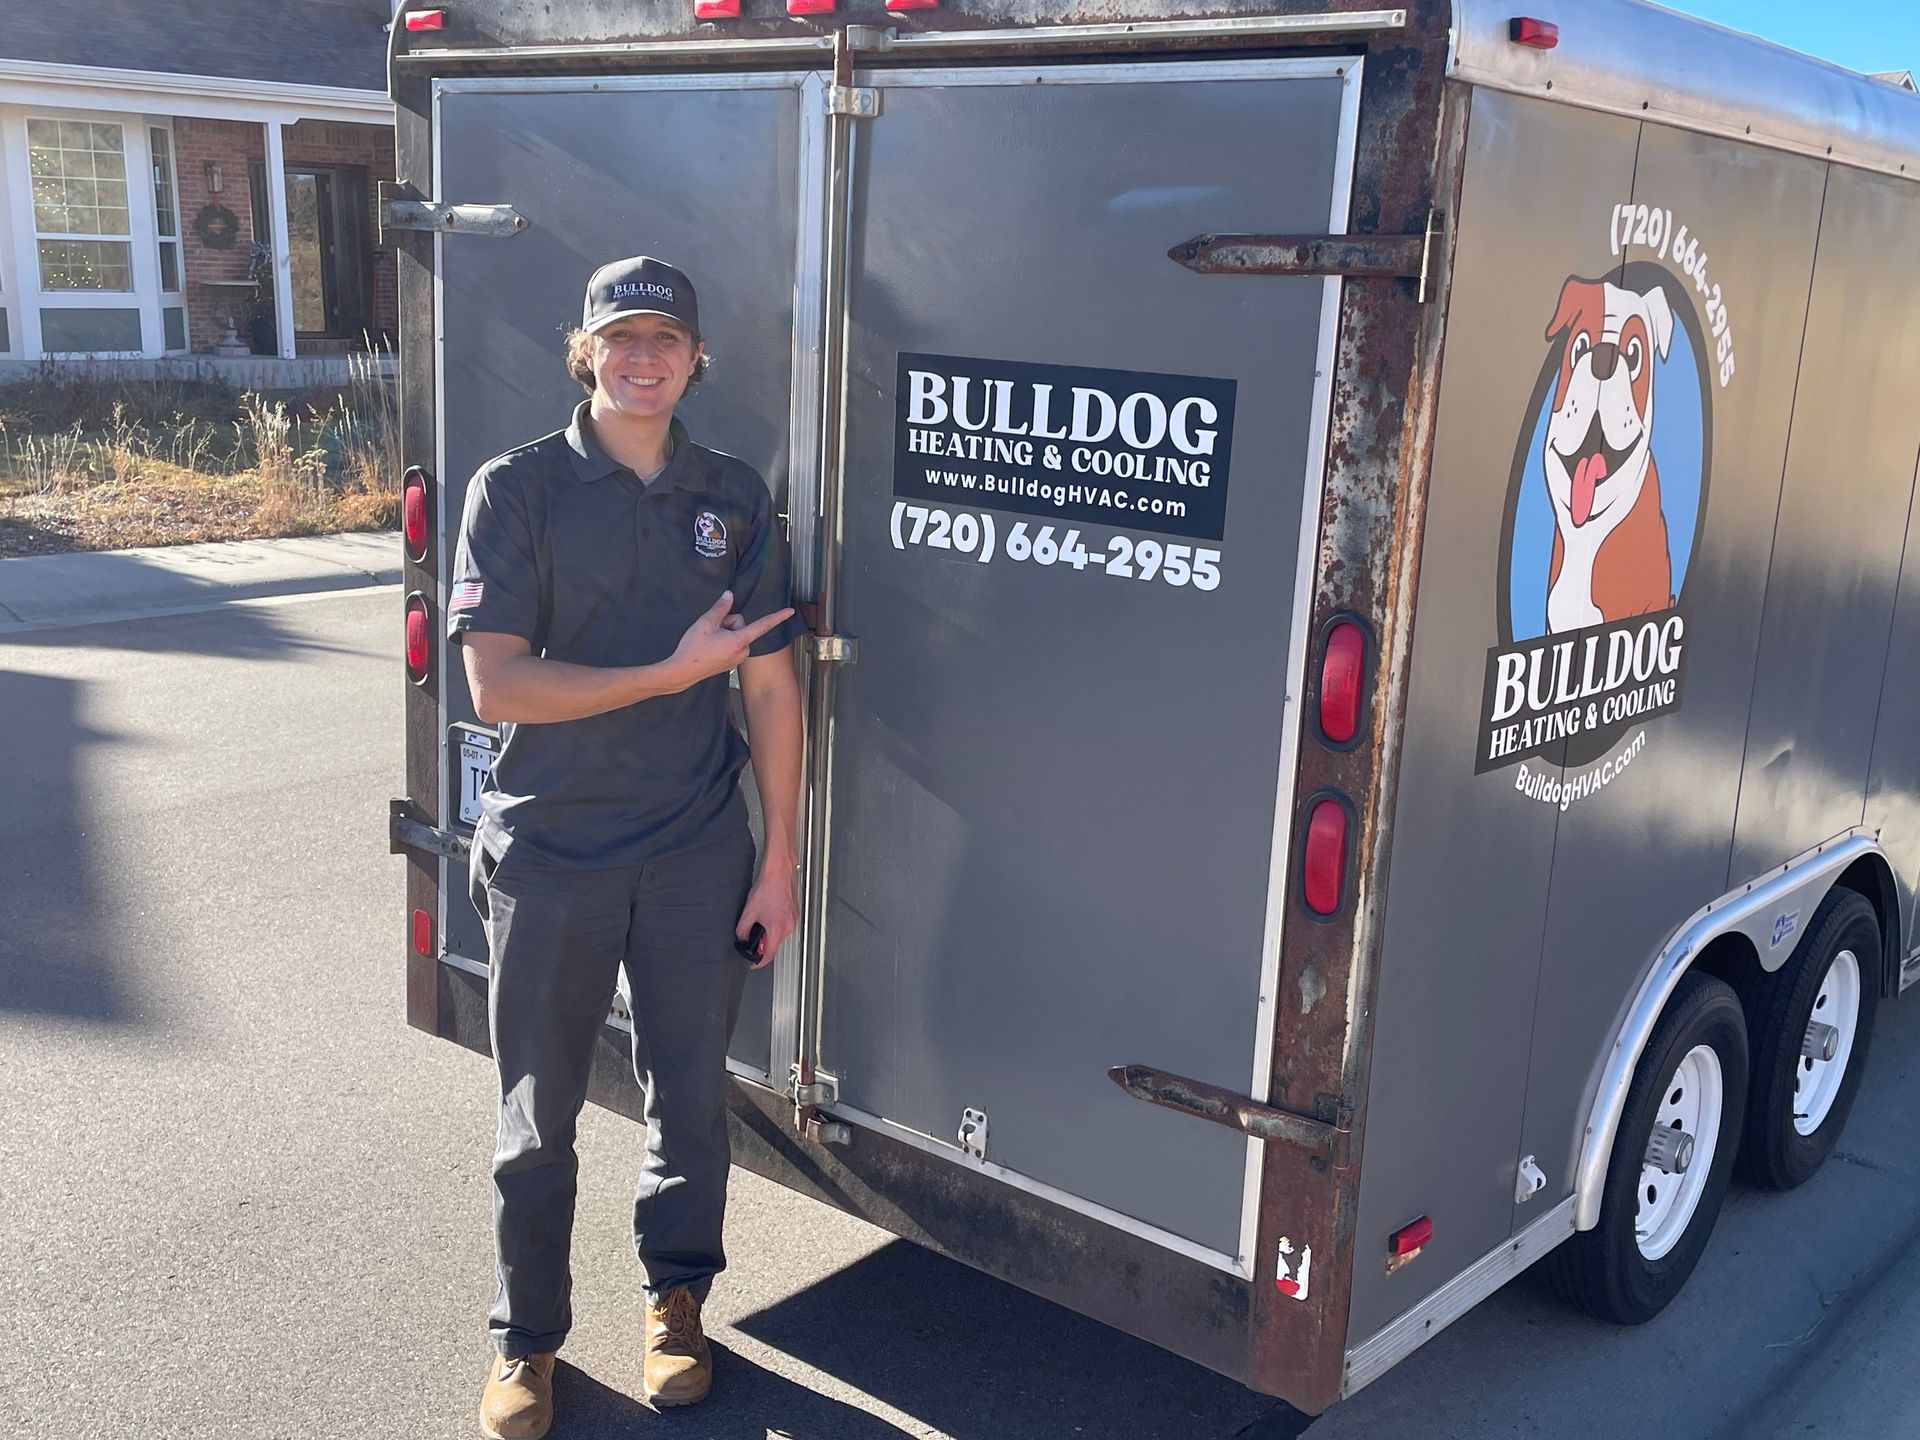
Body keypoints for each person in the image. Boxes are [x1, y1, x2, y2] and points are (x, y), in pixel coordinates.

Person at [448, 255, 806, 1439]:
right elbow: (497, 686)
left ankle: (676, 1303)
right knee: (536, 1120)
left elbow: (769, 693)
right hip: (553, 853)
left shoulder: (733, 495)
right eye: (621, 338)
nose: (643, 358)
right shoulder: (519, 489)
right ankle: (526, 1343)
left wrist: (777, 859)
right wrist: (667, 674)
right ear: (585, 352)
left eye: (666, 338)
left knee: (690, 1099)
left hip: (698, 852)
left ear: (696, 358)